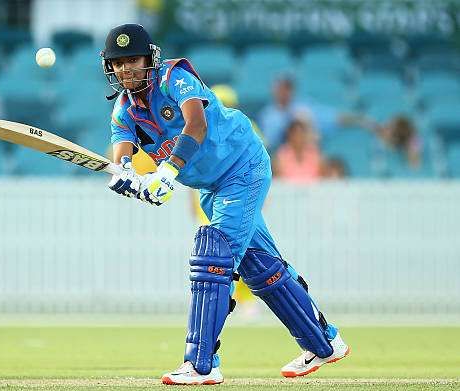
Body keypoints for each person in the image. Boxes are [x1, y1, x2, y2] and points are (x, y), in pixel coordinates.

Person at [101, 24, 350, 385]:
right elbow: (121, 153)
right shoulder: (124, 111)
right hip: (211, 186)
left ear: (149, 59)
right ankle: (325, 343)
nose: (126, 69)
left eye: (132, 60)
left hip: (242, 166)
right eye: (118, 63)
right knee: (260, 268)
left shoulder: (175, 77)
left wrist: (168, 172)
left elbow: (196, 125)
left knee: (213, 256)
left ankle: (201, 364)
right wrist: (127, 177)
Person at [273, 119, 323, 183]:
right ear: (289, 135)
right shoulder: (281, 154)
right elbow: (278, 178)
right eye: (295, 134)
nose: (298, 137)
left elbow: (321, 177)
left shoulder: (314, 152)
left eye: (301, 134)